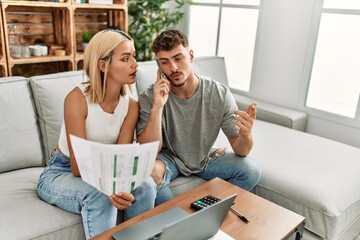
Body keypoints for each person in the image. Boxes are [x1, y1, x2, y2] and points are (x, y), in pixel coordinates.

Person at [36, 29, 158, 239]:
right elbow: (77, 167)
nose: (135, 64)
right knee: (100, 196)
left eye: (134, 56)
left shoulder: (131, 106)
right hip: (62, 171)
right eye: (125, 59)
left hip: (107, 169)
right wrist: (110, 188)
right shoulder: (76, 99)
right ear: (103, 65)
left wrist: (123, 186)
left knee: (146, 185)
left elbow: (122, 158)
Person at [136, 29, 261, 200]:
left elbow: (242, 150)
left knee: (251, 171)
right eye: (164, 62)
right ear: (158, 65)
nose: (173, 68)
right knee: (149, 172)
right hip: (169, 159)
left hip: (206, 157)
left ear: (191, 56)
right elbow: (147, 150)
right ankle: (177, 219)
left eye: (178, 58)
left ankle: (210, 210)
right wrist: (157, 107)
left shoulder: (218, 93)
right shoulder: (150, 96)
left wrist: (246, 135)